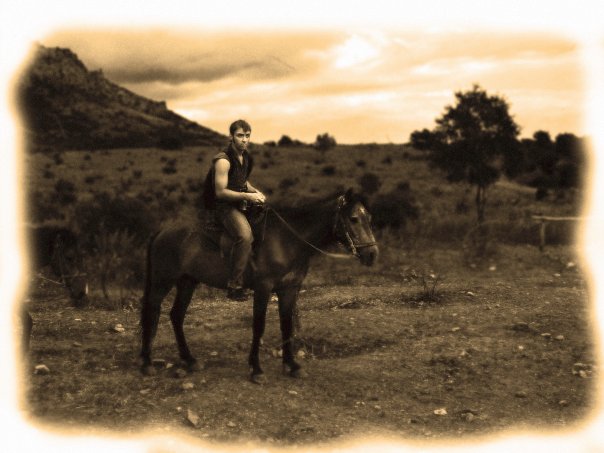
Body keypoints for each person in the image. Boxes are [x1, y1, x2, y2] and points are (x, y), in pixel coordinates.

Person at [201, 119, 266, 301]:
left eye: (247, 136)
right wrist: (248, 197)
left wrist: (256, 192)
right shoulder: (223, 160)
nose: (244, 140)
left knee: (266, 221)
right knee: (245, 236)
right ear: (231, 137)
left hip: (238, 202)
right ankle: (234, 285)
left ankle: (259, 276)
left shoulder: (246, 158)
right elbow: (220, 192)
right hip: (222, 207)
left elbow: (242, 181)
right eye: (240, 135)